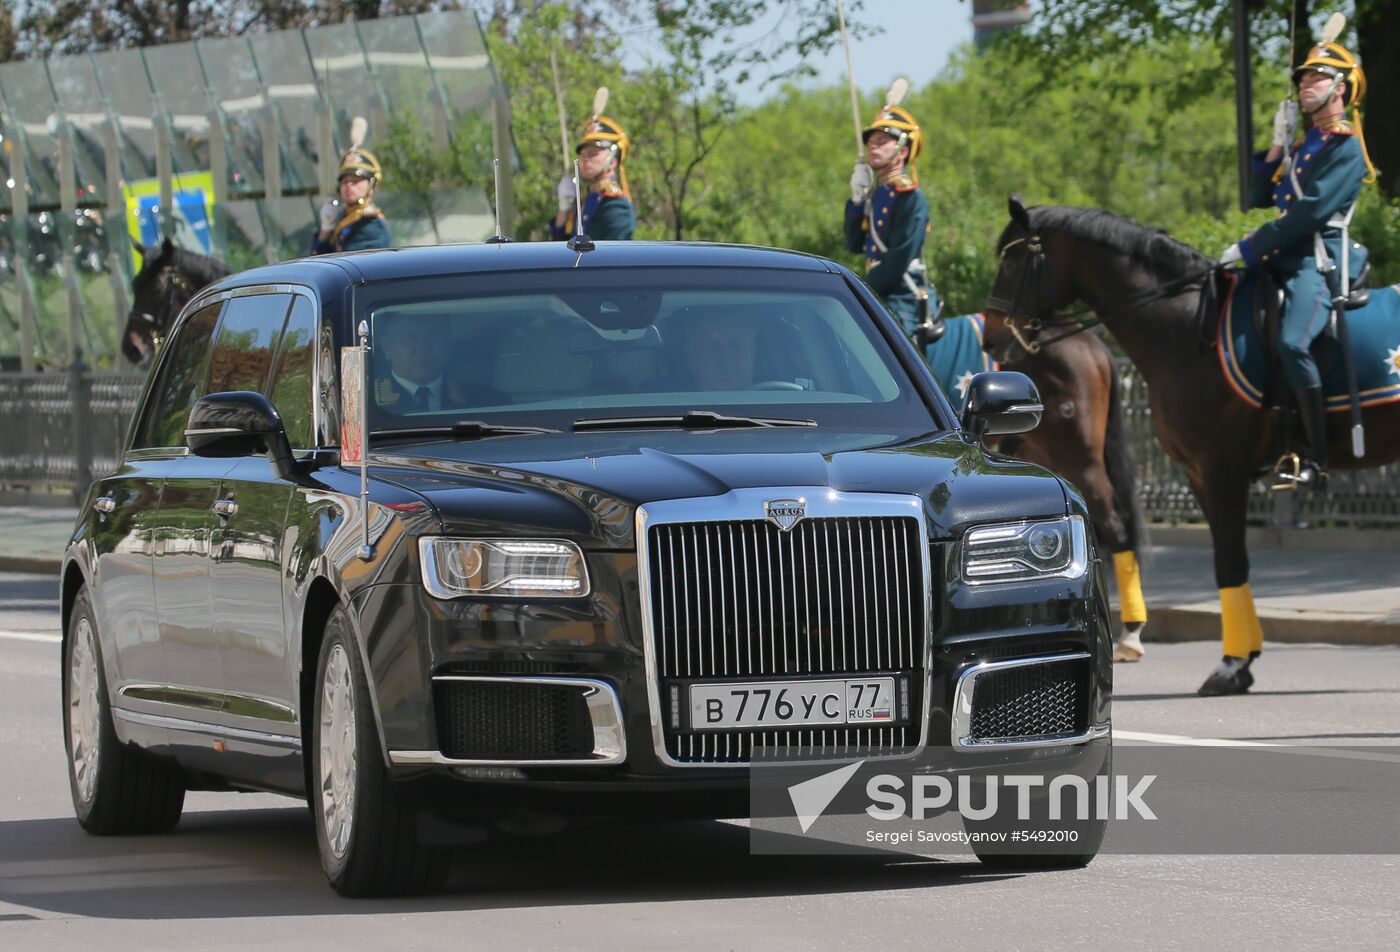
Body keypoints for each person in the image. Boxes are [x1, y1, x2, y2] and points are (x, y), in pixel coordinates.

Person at [1218, 36, 1376, 492]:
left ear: (1341, 88)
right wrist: (1276, 144)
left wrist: (1251, 247)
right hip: (1286, 254)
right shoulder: (1307, 144)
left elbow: (1309, 214)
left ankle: (1316, 458)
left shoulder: (1345, 147)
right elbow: (1259, 199)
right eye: (1303, 77)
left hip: (1320, 257)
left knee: (1292, 344)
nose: (1305, 83)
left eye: (1317, 76)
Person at [844, 102, 932, 336]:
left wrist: (862, 289)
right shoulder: (876, 194)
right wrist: (856, 199)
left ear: (902, 151)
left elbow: (897, 261)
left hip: (902, 296)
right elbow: (853, 244)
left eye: (882, 142)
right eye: (871, 143)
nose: (873, 147)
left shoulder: (910, 197)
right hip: (879, 290)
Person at [550, 114, 635, 241]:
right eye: (582, 154)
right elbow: (561, 243)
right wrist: (563, 210)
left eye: (592, 154)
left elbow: (607, 256)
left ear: (612, 161)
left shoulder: (616, 206)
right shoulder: (587, 200)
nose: (584, 159)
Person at [373, 317, 474, 413]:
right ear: (386, 347)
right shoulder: (366, 403)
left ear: (448, 344)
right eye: (410, 337)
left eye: (433, 336)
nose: (423, 349)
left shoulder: (478, 403)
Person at [312, 147, 391, 254]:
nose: (348, 185)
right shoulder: (343, 217)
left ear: (371, 186)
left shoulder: (371, 224)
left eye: (355, 181)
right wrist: (325, 231)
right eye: (344, 181)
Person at [680, 312, 760, 390]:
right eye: (713, 347)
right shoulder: (671, 400)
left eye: (736, 346)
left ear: (753, 351)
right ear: (691, 356)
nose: (726, 360)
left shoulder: (771, 396)